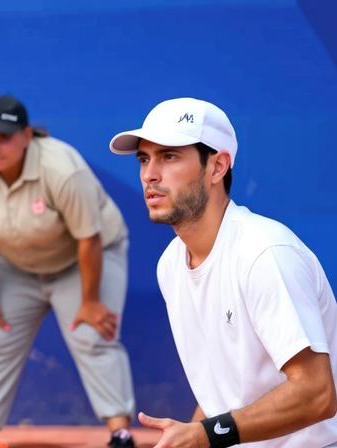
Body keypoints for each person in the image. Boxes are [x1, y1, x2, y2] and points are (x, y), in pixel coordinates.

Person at [109, 97, 337, 447]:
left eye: (169, 156)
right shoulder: (171, 264)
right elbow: (226, 393)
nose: (149, 174)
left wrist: (204, 435)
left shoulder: (265, 253)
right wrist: (190, 436)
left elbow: (317, 394)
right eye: (144, 158)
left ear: (217, 167)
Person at [0, 95, 137, 448]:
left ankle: (120, 434)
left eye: (4, 137)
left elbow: (89, 238)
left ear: (27, 135)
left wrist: (91, 301)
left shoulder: (62, 168)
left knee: (94, 335)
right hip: (15, 265)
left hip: (83, 258)